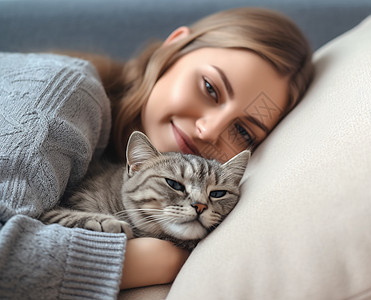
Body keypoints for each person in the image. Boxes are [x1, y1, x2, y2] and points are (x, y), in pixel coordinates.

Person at [0, 7, 313, 299]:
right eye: (210, 88)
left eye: (243, 131)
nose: (209, 130)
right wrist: (158, 260)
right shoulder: (69, 94)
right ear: (173, 48)